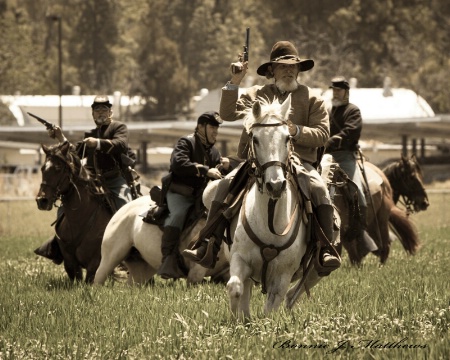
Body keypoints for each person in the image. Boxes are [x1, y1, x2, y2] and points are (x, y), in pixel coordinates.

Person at [183, 41, 341, 275]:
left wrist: (293, 130)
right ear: (271, 71)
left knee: (319, 189)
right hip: (257, 163)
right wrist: (235, 82)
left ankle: (325, 249)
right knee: (225, 185)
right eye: (282, 66)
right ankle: (208, 243)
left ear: (299, 70)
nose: (289, 71)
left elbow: (322, 134)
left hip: (300, 162)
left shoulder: (312, 99)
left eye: (293, 66)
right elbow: (227, 114)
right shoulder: (257, 94)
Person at [34, 95, 134, 263]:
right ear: (93, 114)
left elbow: (121, 144)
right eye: (97, 110)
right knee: (65, 208)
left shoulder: (119, 127)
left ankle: (132, 250)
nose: (100, 113)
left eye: (104, 109)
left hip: (115, 179)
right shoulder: (91, 134)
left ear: (111, 112)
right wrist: (60, 136)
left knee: (125, 207)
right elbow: (73, 153)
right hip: (92, 181)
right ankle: (58, 245)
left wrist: (98, 143)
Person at [157, 111, 231, 280]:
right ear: (200, 127)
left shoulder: (214, 152)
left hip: (200, 197)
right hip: (180, 193)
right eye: (212, 127)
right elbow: (178, 163)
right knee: (177, 215)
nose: (215, 131)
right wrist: (205, 170)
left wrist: (225, 165)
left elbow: (218, 170)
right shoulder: (186, 142)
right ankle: (168, 258)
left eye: (216, 128)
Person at [325, 76, 378, 255]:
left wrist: (331, 141)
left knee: (358, 194)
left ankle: (359, 231)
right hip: (326, 157)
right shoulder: (328, 111)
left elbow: (351, 131)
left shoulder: (353, 111)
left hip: (346, 156)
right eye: (334, 90)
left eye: (339, 90)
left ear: (346, 92)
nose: (335, 93)